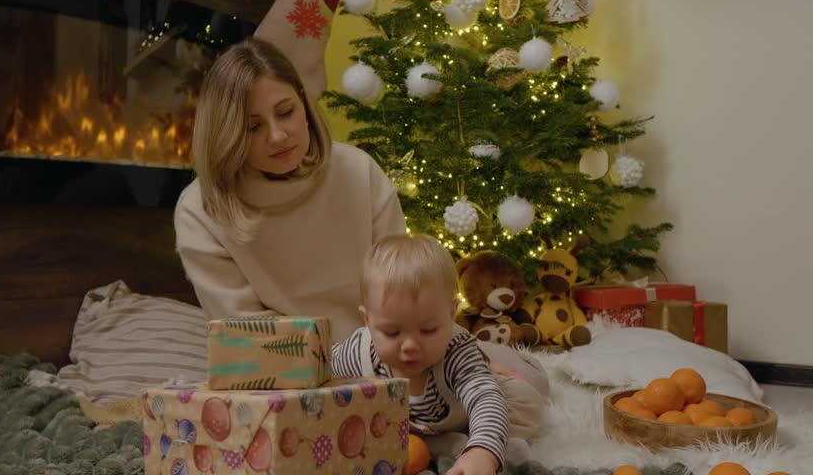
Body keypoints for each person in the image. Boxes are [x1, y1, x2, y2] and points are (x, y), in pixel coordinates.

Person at [173, 38, 549, 396]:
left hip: (396, 343)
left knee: (530, 381)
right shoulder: (199, 211)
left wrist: (440, 354)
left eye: (286, 112)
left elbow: (406, 285)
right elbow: (253, 338)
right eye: (253, 127)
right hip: (294, 374)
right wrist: (353, 372)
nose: (277, 135)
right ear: (227, 133)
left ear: (304, 104)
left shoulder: (357, 170)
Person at [332, 234, 545, 474]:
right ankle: (439, 442)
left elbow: (485, 399)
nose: (410, 345)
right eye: (392, 332)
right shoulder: (358, 352)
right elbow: (318, 368)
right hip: (416, 425)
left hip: (460, 407)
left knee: (526, 401)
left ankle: (491, 430)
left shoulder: (456, 350)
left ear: (451, 314)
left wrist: (482, 452)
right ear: (367, 320)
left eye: (428, 330)